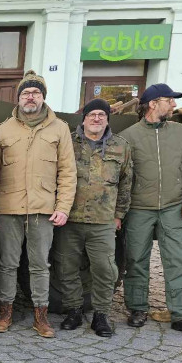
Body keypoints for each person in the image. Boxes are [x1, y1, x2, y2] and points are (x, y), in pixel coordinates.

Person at [0, 70, 76, 338]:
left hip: (43, 210)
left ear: (43, 97)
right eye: (26, 92)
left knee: (40, 265)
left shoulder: (59, 129)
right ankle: (6, 312)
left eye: (36, 92)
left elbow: (68, 171)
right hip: (9, 209)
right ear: (18, 98)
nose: (30, 97)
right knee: (8, 264)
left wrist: (63, 207)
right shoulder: (2, 130)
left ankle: (41, 316)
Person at [118, 83, 182, 337]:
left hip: (173, 207)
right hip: (138, 209)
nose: (174, 104)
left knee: (178, 260)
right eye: (170, 100)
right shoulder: (129, 136)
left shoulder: (181, 132)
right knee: (135, 260)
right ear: (153, 103)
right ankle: (137, 309)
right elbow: (123, 176)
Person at [56, 99, 132, 337]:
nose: (96, 118)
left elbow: (126, 183)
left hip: (103, 221)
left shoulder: (121, 146)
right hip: (70, 219)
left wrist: (119, 214)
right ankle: (74, 310)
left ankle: (101, 314)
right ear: (84, 118)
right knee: (67, 268)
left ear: (107, 119)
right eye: (92, 114)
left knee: (105, 269)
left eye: (101, 114)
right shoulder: (68, 142)